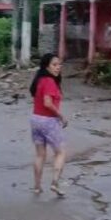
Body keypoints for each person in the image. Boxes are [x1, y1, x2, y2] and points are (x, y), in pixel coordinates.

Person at [30, 51, 70, 197]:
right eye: (54, 65)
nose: (58, 67)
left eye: (59, 64)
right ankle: (54, 182)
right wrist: (61, 116)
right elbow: (48, 103)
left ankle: (37, 187)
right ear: (46, 66)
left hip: (35, 119)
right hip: (48, 121)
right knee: (61, 152)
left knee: (40, 154)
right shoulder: (49, 81)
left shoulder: (39, 80)